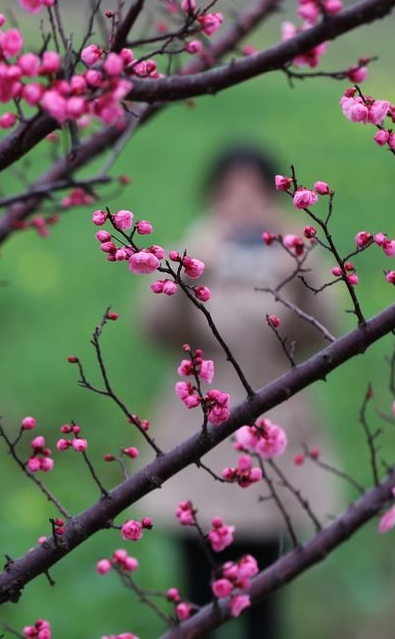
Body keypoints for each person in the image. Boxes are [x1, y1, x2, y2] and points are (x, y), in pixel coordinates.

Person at [139, 145, 342, 638]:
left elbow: (328, 328)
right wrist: (190, 271)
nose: (243, 203)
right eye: (230, 193)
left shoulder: (292, 258)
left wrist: (299, 264)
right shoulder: (192, 255)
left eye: (254, 192)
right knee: (196, 597)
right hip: (199, 429)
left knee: (263, 595)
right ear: (212, 199)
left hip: (272, 428)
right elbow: (155, 329)